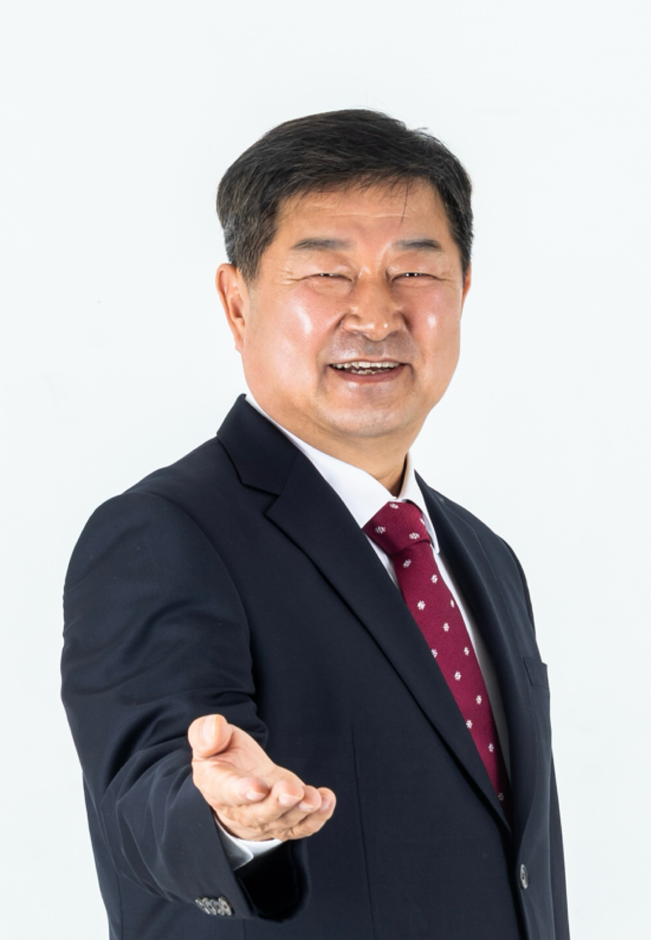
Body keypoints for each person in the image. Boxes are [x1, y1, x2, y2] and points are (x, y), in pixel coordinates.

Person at [61, 109, 569, 940]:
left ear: (463, 292)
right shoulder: (164, 535)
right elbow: (151, 779)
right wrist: (229, 817)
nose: (376, 314)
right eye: (328, 274)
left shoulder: (482, 557)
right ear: (237, 303)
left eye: (415, 271)